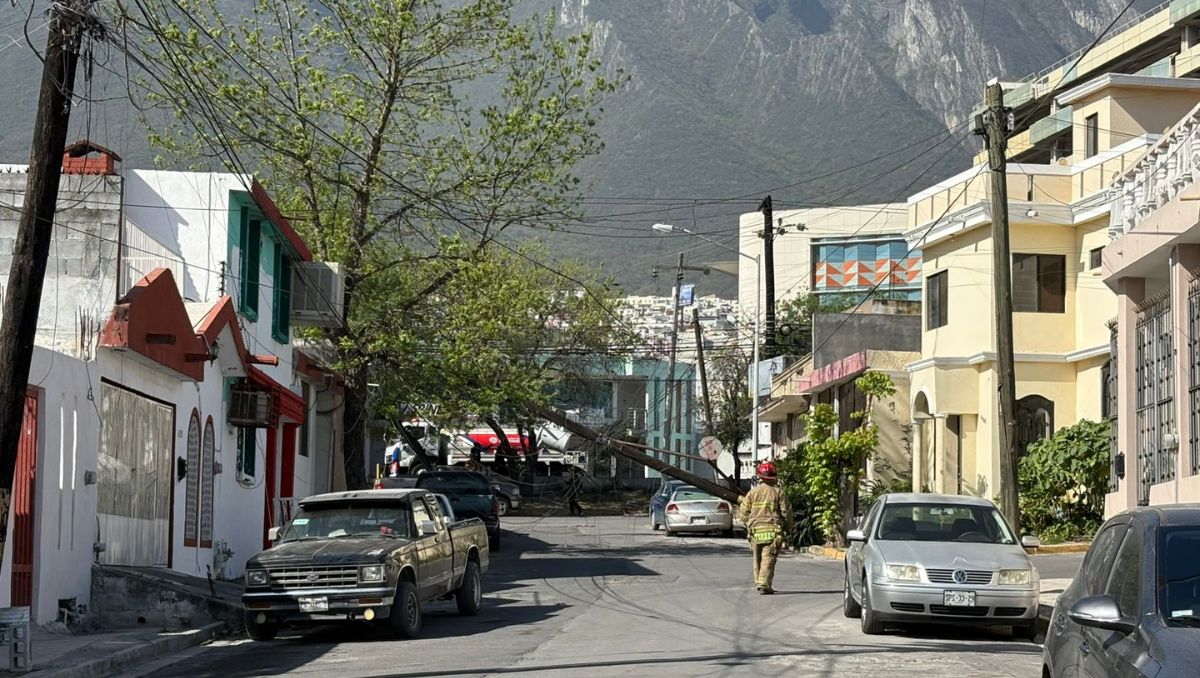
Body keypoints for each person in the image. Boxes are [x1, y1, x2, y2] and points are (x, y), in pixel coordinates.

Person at [737, 460, 793, 595]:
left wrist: (748, 523)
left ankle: (760, 582)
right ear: (774, 477)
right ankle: (764, 583)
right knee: (768, 557)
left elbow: (743, 512)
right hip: (773, 531)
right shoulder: (779, 492)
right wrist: (789, 527)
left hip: (755, 531)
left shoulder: (752, 493)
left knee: (757, 558)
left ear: (760, 477)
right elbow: (786, 512)